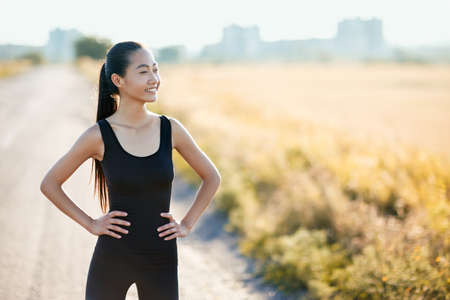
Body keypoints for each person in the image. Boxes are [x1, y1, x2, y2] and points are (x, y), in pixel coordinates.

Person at [39, 41, 221, 300]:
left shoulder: (171, 129)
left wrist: (187, 224)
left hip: (161, 259)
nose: (154, 79)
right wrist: (91, 223)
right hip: (112, 258)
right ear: (118, 80)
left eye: (155, 70)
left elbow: (212, 177)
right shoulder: (98, 136)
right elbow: (50, 184)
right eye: (144, 71)